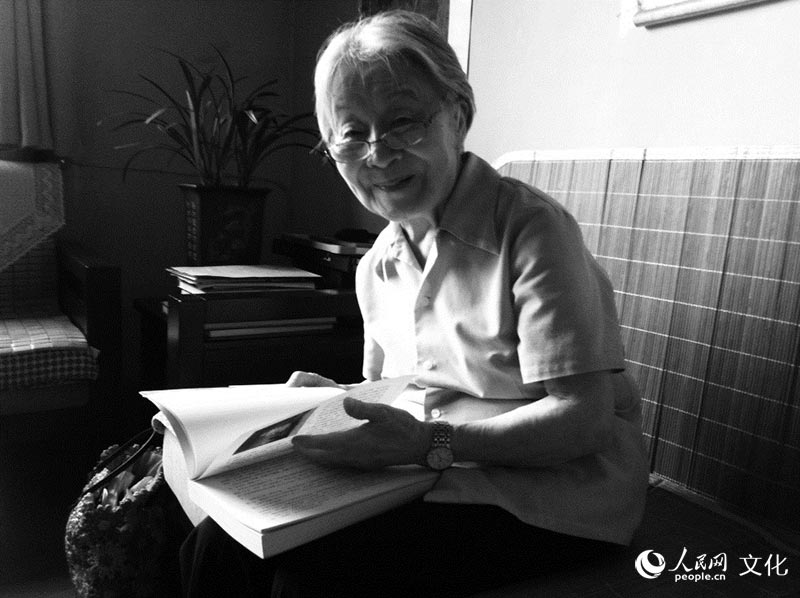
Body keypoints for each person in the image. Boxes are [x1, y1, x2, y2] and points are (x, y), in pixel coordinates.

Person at [180, 10, 648, 597]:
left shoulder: (532, 230)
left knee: (308, 580)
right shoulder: (377, 263)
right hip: (427, 476)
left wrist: (431, 444)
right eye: (352, 133)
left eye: (403, 122)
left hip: (554, 494)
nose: (378, 154)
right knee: (215, 543)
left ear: (459, 116)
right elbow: (400, 395)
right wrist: (336, 400)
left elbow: (584, 419)